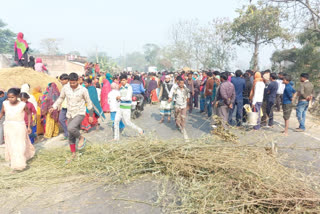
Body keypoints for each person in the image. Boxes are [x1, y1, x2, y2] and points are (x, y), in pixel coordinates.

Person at [50, 73, 93, 161]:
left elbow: (88, 102)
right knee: (71, 135)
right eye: (71, 83)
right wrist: (54, 106)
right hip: (70, 113)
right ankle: (73, 154)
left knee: (71, 127)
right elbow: (61, 98)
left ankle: (81, 138)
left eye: (74, 83)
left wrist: (91, 115)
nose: (72, 85)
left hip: (80, 112)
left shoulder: (83, 90)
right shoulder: (65, 88)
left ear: (78, 81)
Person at [0, 88, 35, 171]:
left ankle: (20, 164)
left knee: (20, 145)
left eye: (12, 97)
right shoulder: (5, 103)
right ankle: (15, 163)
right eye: (9, 97)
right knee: (11, 145)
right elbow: (2, 113)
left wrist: (29, 126)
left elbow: (29, 114)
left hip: (20, 127)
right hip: (9, 127)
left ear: (17, 96)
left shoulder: (22, 105)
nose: (10, 99)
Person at [114, 74, 144, 141]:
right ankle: (116, 138)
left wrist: (120, 97)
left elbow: (128, 98)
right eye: (121, 80)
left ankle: (140, 130)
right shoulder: (121, 87)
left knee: (128, 122)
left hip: (126, 107)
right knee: (116, 121)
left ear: (126, 80)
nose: (122, 82)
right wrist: (118, 98)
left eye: (124, 80)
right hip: (120, 107)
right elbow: (119, 96)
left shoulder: (129, 87)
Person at [58, 74, 69, 140]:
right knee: (61, 119)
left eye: (63, 80)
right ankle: (67, 133)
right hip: (64, 106)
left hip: (70, 106)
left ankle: (68, 134)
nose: (61, 81)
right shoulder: (63, 87)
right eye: (61, 80)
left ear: (67, 80)